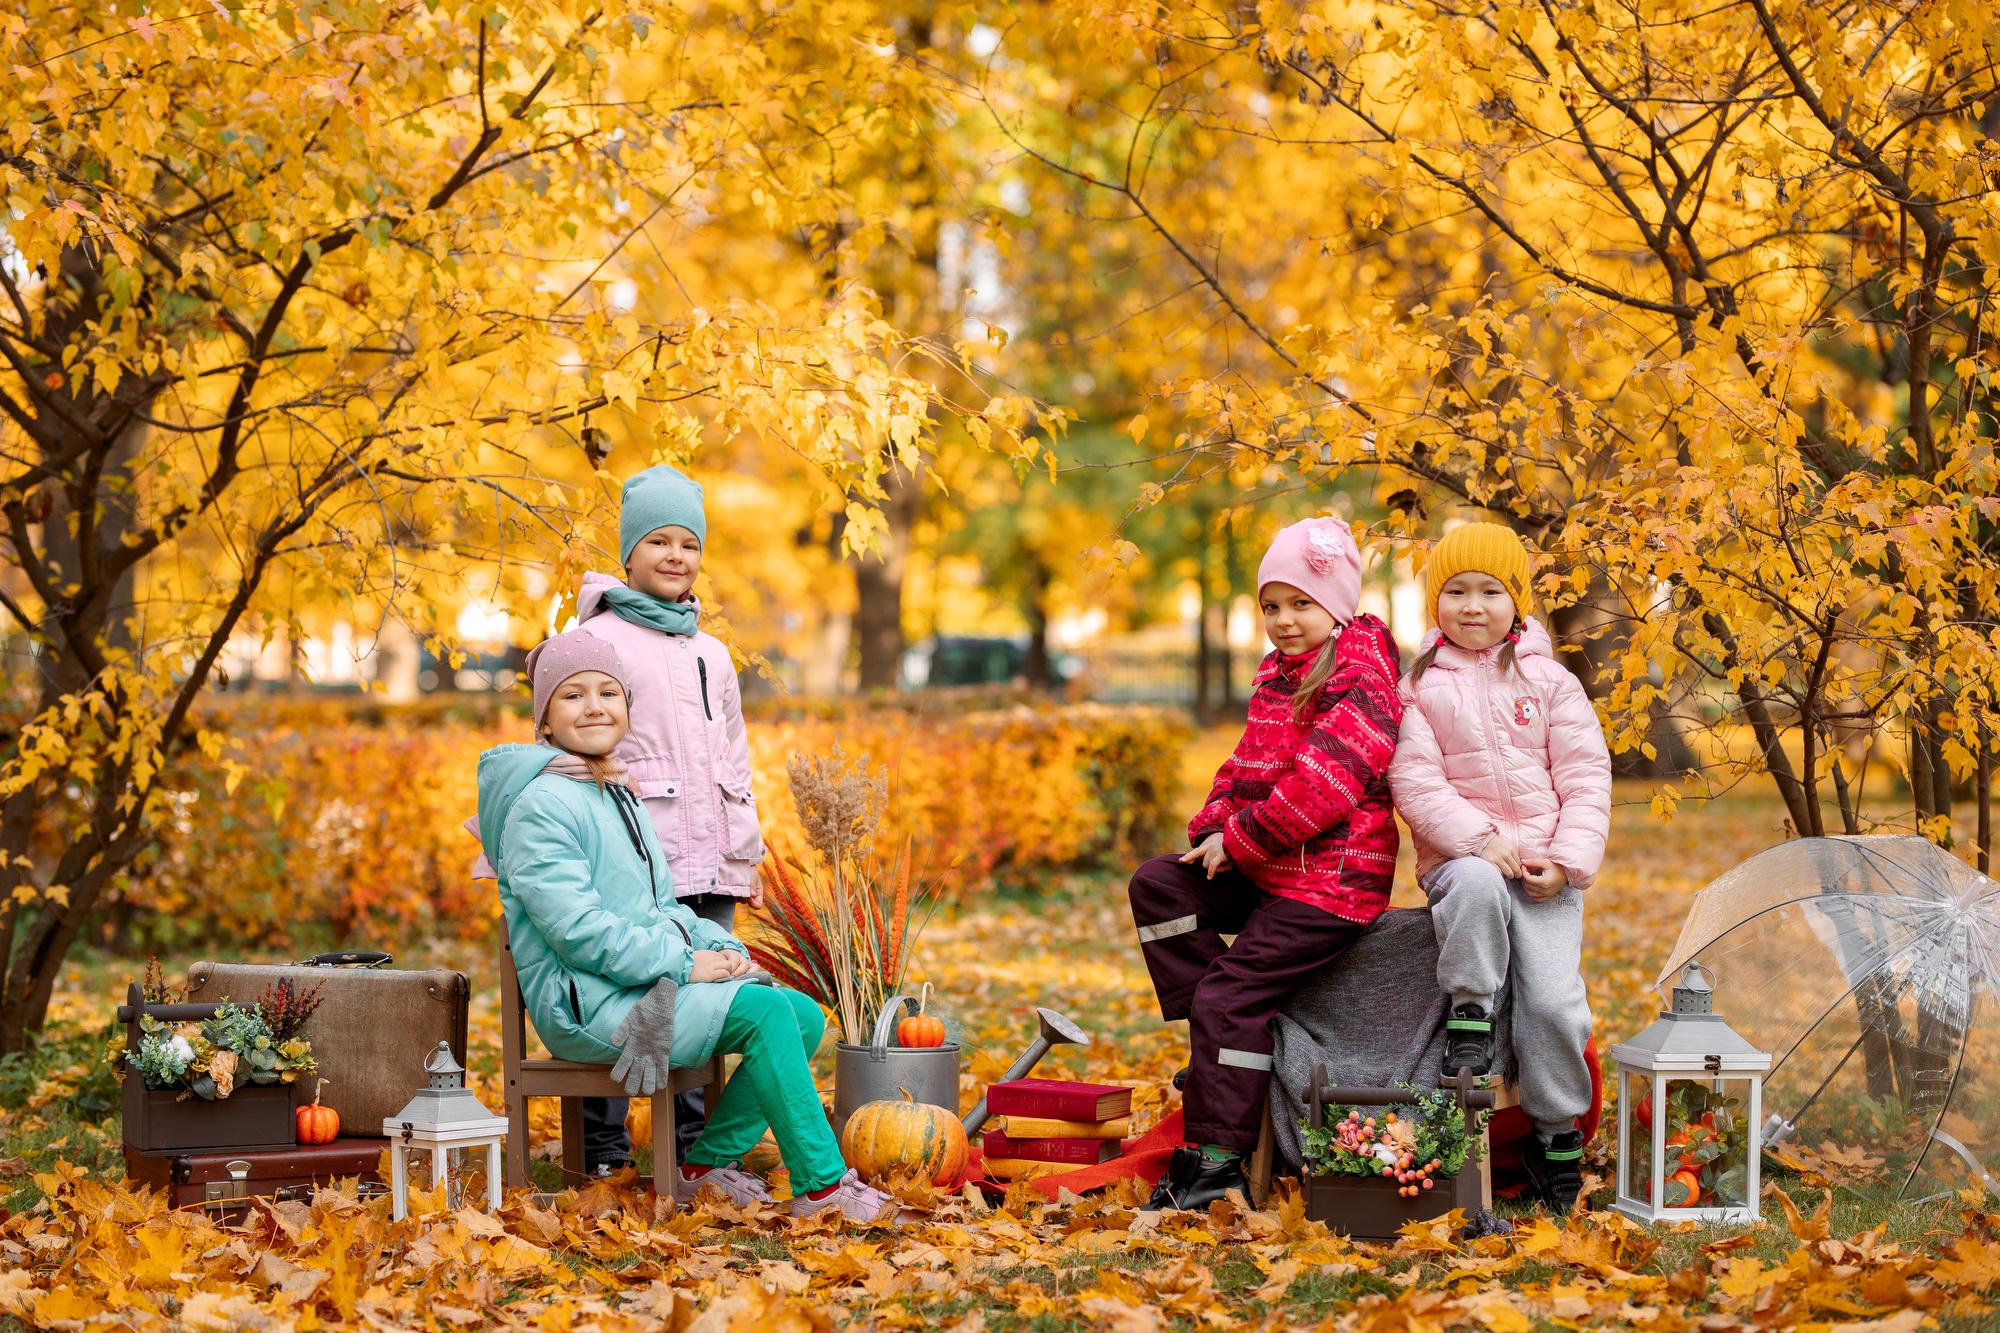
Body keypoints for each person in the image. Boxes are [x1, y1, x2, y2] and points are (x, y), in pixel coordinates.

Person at [477, 630, 894, 1221]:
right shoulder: (542, 806)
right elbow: (580, 931)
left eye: (607, 692)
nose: (594, 706)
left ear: (627, 708)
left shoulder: (614, 793)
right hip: (590, 1003)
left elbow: (665, 907)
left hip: (638, 981)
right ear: (543, 721)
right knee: (766, 1015)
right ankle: (824, 1189)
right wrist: (682, 964)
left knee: (800, 1014)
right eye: (572, 696)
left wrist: (721, 948)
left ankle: (701, 1169)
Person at [1127, 516, 1404, 1210]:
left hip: (1334, 882)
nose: (1284, 620)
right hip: (1275, 868)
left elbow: (1322, 785)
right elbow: (1249, 762)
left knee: (1229, 995)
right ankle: (1219, 1052)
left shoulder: (1362, 674)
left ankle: (1215, 1159)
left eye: (1301, 604)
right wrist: (1213, 826)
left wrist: (1242, 838)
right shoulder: (1278, 672)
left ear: (1336, 605)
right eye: (1272, 605)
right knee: (1159, 885)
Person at [1388, 522, 1611, 1214]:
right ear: (1436, 603)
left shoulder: (1549, 682)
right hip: (1464, 862)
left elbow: (1586, 775)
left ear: (1518, 602)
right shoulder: (1422, 686)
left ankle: (1556, 1138)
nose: (1474, 606)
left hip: (1542, 869)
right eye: (1457, 591)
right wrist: (1478, 838)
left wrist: (1568, 860)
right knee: (1480, 882)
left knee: (1551, 1003)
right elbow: (1415, 779)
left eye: (1491, 591)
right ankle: (1470, 1012)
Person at [570, 464, 767, 1174]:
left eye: (688, 542)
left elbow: (733, 759)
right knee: (635, 996)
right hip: (636, 852)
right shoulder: (601, 639)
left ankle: (691, 1144)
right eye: (658, 540)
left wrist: (744, 855)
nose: (675, 555)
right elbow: (573, 741)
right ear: (629, 552)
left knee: (709, 995)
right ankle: (603, 1145)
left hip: (709, 856)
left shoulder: (711, 652)